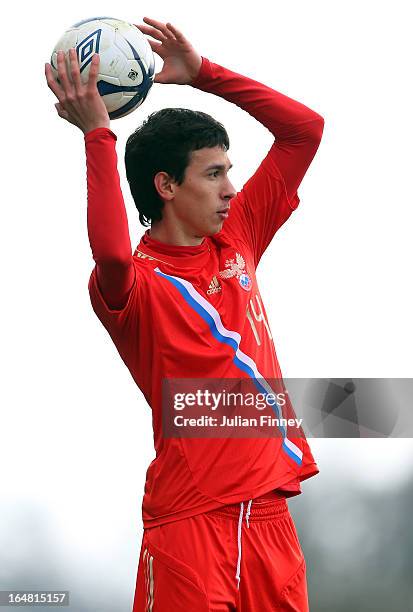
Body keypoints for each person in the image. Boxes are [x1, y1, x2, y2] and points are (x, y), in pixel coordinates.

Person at [45, 16, 324, 611]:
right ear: (166, 186)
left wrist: (203, 76)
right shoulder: (135, 286)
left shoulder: (239, 239)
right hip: (190, 525)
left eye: (230, 172)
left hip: (272, 521)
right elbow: (112, 253)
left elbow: (305, 130)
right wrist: (97, 133)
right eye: (215, 173)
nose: (232, 189)